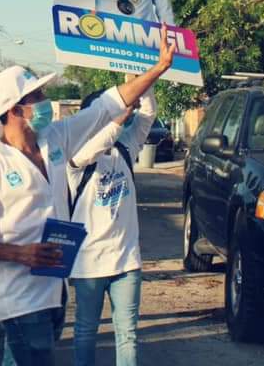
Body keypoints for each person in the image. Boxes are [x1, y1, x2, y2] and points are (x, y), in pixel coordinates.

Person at [0, 30, 174, 366]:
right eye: (36, 96)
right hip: (21, 300)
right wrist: (19, 254)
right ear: (14, 110)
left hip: (55, 292)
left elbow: (108, 105)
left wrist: (158, 68)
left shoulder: (54, 140)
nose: (44, 102)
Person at [68, 87, 156, 366]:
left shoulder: (125, 149)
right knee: (85, 331)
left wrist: (143, 81)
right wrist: (116, 119)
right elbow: (92, 147)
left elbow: (148, 115)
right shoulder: (77, 157)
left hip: (126, 261)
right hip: (89, 263)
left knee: (127, 335)